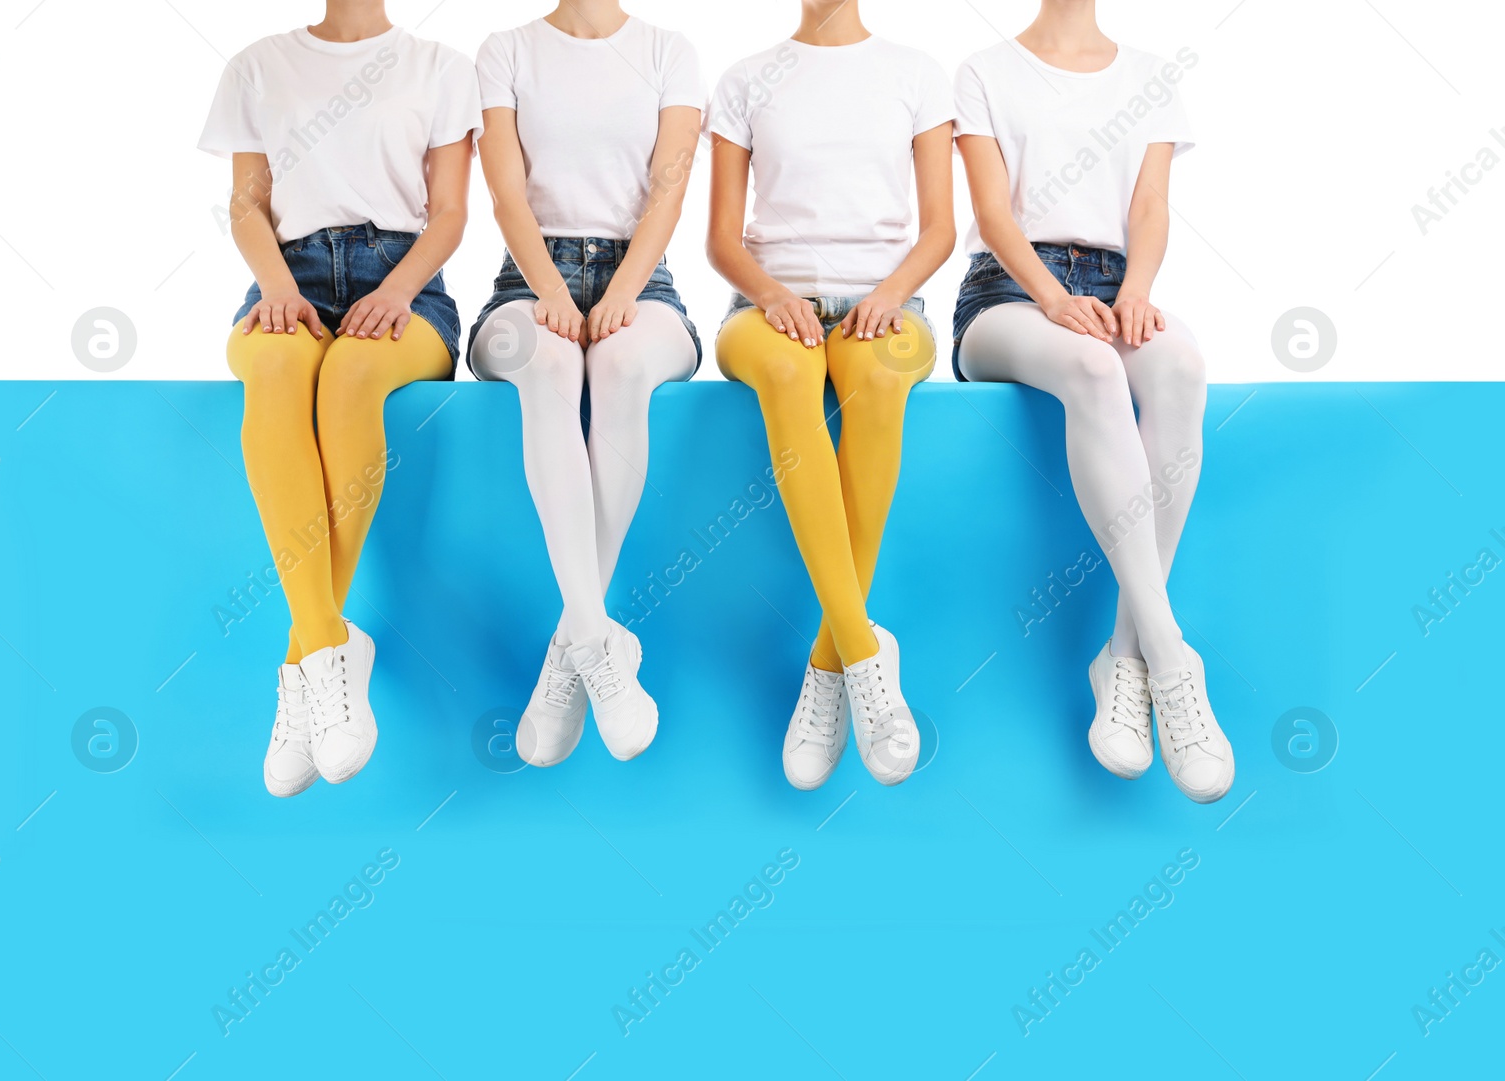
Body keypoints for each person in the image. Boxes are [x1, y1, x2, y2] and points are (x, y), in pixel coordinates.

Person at [951, 0, 1234, 802]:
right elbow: (992, 214)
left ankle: (1125, 654)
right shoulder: (983, 72)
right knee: (1094, 370)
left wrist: (1138, 291)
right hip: (1007, 295)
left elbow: (1148, 209)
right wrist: (1048, 296)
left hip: (1114, 286)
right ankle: (1174, 657)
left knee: (1178, 366)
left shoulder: (1150, 76)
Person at [199, 1, 481, 796]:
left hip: (405, 283)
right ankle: (327, 646)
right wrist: (280, 288)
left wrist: (395, 292)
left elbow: (452, 213)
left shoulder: (440, 68)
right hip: (287, 278)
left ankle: (302, 667)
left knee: (353, 374)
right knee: (278, 369)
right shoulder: (256, 64)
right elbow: (246, 204)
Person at [706, 0, 956, 790]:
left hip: (892, 305)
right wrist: (773, 294)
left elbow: (942, 229)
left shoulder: (916, 74)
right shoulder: (745, 80)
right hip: (764, 307)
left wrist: (888, 294)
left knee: (881, 379)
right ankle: (865, 652)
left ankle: (828, 667)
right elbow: (720, 238)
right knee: (786, 374)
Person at [470, 0, 705, 767]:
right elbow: (507, 196)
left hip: (644, 282)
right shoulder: (506, 49)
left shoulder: (670, 50)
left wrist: (623, 293)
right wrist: (554, 297)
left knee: (624, 363)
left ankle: (573, 648)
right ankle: (599, 642)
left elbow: (668, 189)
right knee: (548, 361)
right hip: (525, 282)